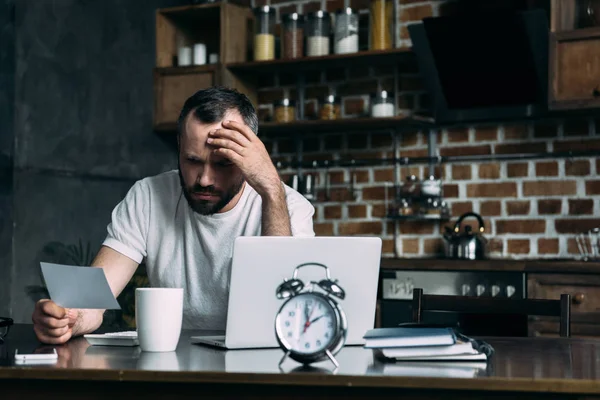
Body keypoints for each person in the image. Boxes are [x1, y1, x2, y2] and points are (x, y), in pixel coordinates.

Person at [32, 87, 315, 344]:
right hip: (174, 362)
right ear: (180, 146)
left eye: (223, 163)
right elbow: (91, 302)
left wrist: (271, 190)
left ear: (250, 156)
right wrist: (69, 319)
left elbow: (289, 308)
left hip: (258, 365)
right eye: (193, 161)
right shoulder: (148, 196)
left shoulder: (289, 206)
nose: (204, 179)